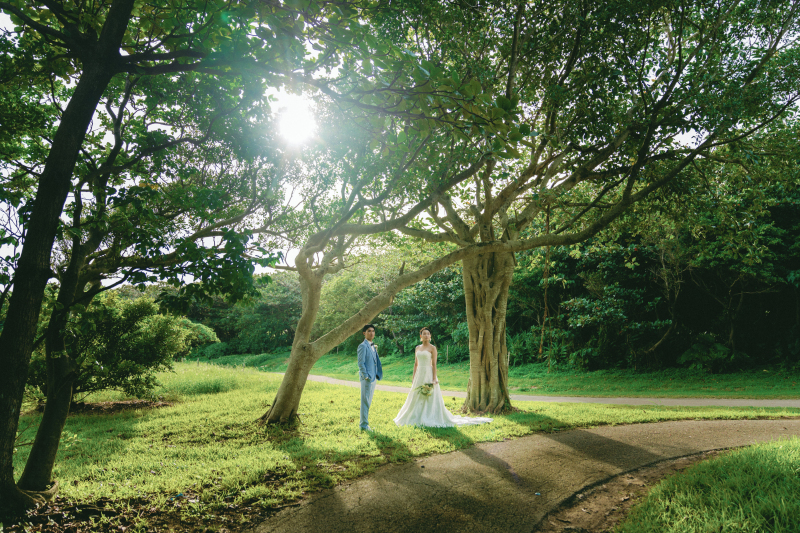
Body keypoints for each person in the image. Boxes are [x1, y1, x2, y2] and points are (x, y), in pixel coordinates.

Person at [394, 327, 493, 428]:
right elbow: (415, 364)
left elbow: (434, 364)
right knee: (416, 394)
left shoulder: (432, 348)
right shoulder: (417, 348)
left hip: (428, 373)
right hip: (419, 374)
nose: (426, 335)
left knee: (429, 394)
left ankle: (428, 415)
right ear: (421, 336)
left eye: (428, 334)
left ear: (430, 336)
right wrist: (414, 377)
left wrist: (433, 378)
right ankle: (415, 415)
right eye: (424, 334)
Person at [357, 324, 383, 431]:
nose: (371, 333)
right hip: (367, 378)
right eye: (369, 331)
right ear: (364, 333)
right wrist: (366, 376)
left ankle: (365, 423)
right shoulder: (362, 346)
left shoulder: (372, 345)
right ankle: (363, 425)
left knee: (368, 401)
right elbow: (361, 363)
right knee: (365, 401)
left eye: (373, 331)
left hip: (373, 378)